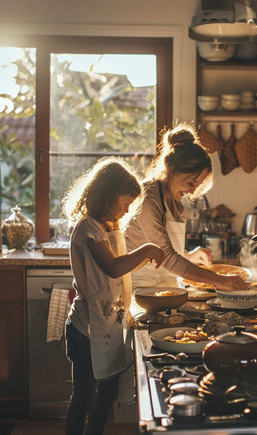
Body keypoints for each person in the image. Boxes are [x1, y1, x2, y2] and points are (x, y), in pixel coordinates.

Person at [62, 157, 164, 435]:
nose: (127, 210)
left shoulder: (109, 226)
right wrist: (148, 250)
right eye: (125, 203)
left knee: (105, 398)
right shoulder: (88, 228)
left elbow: (119, 270)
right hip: (86, 330)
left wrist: (145, 256)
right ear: (106, 195)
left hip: (108, 327)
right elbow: (113, 267)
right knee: (83, 398)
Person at [126, 123, 247, 291]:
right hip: (140, 290)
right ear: (171, 169)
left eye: (197, 185)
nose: (192, 190)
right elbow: (166, 257)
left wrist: (188, 256)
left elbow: (164, 252)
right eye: (191, 182)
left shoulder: (174, 201)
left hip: (166, 288)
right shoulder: (148, 198)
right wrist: (221, 280)